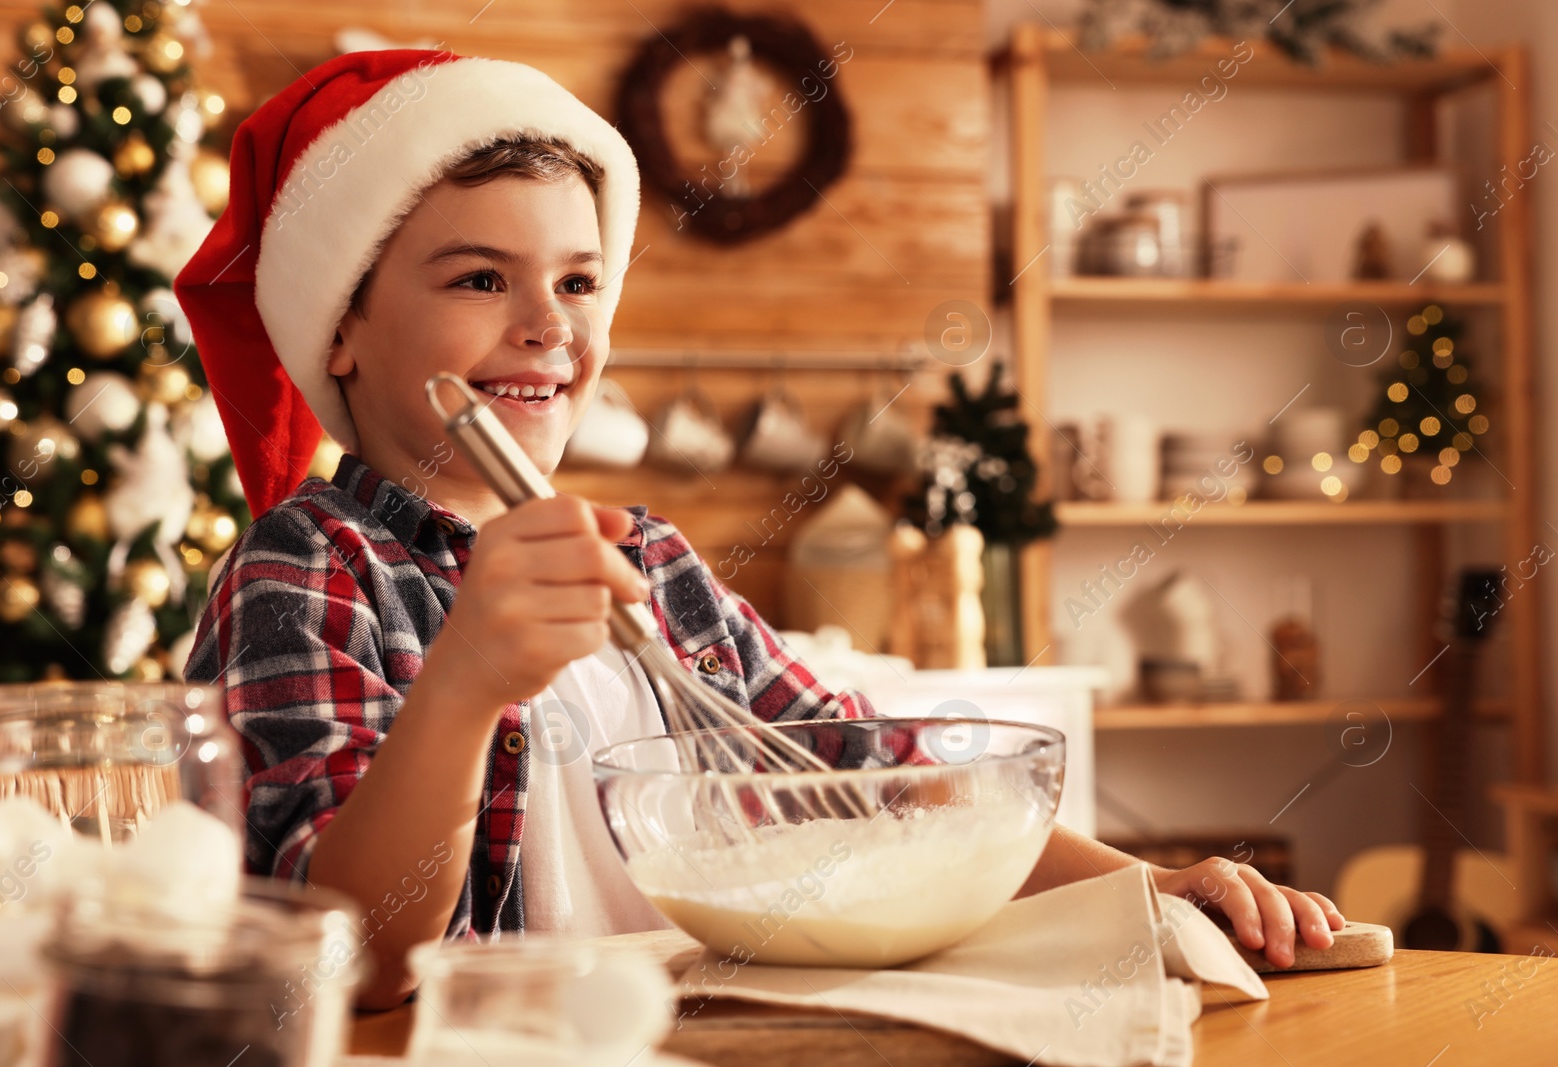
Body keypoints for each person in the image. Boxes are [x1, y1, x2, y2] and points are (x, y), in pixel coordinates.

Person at [178, 49, 1343, 1010]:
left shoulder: (650, 562)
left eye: (580, 284)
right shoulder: (306, 569)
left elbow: (871, 776)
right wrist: (466, 682)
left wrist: (1151, 888)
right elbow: (354, 958)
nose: (547, 327)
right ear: (341, 326)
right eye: (481, 279)